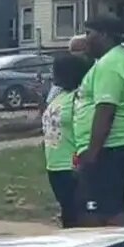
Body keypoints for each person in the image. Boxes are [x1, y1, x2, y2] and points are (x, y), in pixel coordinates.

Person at [74, 15, 124, 226]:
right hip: (111, 146)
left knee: (104, 211)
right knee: (104, 206)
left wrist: (92, 154)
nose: (85, 39)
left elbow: (105, 110)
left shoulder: (110, 64)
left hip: (109, 147)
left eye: (88, 33)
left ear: (103, 35)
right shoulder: (114, 59)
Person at [41, 52, 92, 228]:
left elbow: (85, 129)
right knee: (67, 213)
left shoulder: (78, 98)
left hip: (71, 165)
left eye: (56, 70)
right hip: (54, 165)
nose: (52, 74)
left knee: (77, 216)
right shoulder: (58, 96)